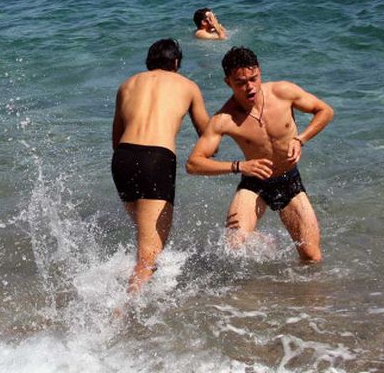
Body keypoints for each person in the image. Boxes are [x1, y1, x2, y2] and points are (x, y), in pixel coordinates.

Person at [186, 47, 334, 262]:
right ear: (228, 82)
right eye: (240, 83)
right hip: (254, 182)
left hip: (289, 180)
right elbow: (193, 163)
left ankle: (306, 295)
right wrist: (239, 166)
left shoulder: (283, 92)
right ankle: (265, 241)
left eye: (253, 79)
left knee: (311, 257)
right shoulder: (224, 119)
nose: (249, 87)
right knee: (234, 243)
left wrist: (300, 139)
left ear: (259, 72)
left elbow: (325, 111)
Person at [111, 38, 209, 293]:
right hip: (157, 159)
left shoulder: (127, 85)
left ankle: (135, 293)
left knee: (145, 239)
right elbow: (208, 137)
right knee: (150, 254)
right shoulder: (188, 85)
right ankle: (122, 313)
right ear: (176, 62)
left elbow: (116, 138)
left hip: (122, 158)